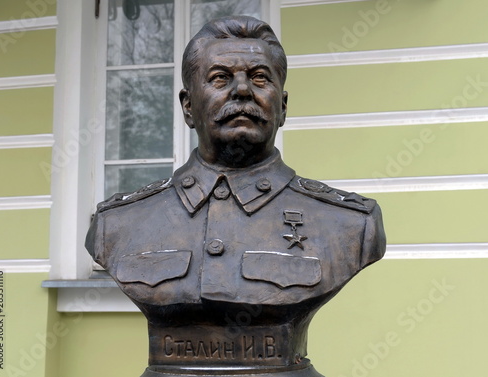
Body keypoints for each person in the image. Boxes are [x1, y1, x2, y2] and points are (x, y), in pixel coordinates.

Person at [86, 16, 385, 377]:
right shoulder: (117, 223)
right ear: (188, 106)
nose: (242, 90)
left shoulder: (349, 223)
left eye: (260, 77)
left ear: (283, 106)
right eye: (219, 78)